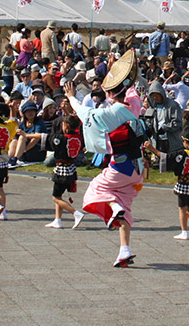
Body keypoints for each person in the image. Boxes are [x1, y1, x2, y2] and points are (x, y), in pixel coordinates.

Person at [68, 50, 146, 267]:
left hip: (120, 166)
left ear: (111, 94)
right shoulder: (134, 105)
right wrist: (115, 70)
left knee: (96, 189)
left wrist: (70, 97)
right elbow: (129, 85)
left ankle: (114, 206)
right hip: (138, 169)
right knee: (124, 207)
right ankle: (124, 250)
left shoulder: (109, 114)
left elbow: (83, 113)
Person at [144, 123, 189, 240]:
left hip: (183, 184)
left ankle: (184, 231)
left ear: (185, 140)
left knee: (182, 208)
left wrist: (152, 149)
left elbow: (165, 157)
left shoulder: (182, 154)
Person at [20, 115, 86, 229]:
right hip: (71, 169)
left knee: (56, 197)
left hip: (62, 171)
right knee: (59, 195)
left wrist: (26, 135)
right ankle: (57, 220)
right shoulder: (79, 138)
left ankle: (76, 213)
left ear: (66, 126)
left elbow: (42, 136)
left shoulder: (61, 139)